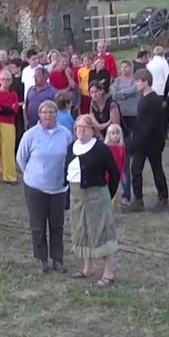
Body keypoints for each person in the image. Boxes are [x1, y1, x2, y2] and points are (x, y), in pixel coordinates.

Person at [16, 100, 72, 273]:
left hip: (58, 188)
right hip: (35, 187)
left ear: (56, 114)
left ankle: (58, 259)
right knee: (38, 225)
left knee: (57, 225)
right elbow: (21, 158)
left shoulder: (66, 134)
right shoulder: (30, 135)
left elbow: (70, 157)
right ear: (39, 115)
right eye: (44, 112)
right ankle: (41, 259)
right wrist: (32, 174)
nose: (48, 115)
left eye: (51, 112)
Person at [66, 115, 122, 287]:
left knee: (101, 232)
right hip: (77, 196)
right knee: (82, 230)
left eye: (85, 127)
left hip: (97, 196)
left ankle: (108, 273)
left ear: (93, 130)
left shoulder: (100, 149)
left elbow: (114, 173)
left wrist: (108, 194)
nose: (81, 130)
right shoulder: (71, 147)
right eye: (78, 127)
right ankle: (87, 268)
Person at [125, 70, 169, 213]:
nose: (136, 84)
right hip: (143, 142)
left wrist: (133, 145)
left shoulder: (152, 101)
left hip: (151, 142)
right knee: (136, 170)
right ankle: (138, 200)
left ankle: (163, 198)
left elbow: (148, 126)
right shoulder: (145, 98)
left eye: (138, 81)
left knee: (156, 170)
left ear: (146, 82)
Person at [0, 69, 21, 184]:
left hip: (8, 123)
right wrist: (8, 109)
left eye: (7, 79)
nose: (5, 82)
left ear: (11, 81)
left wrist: (4, 109)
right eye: (3, 79)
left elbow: (15, 109)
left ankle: (10, 176)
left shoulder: (13, 94)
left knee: (8, 150)